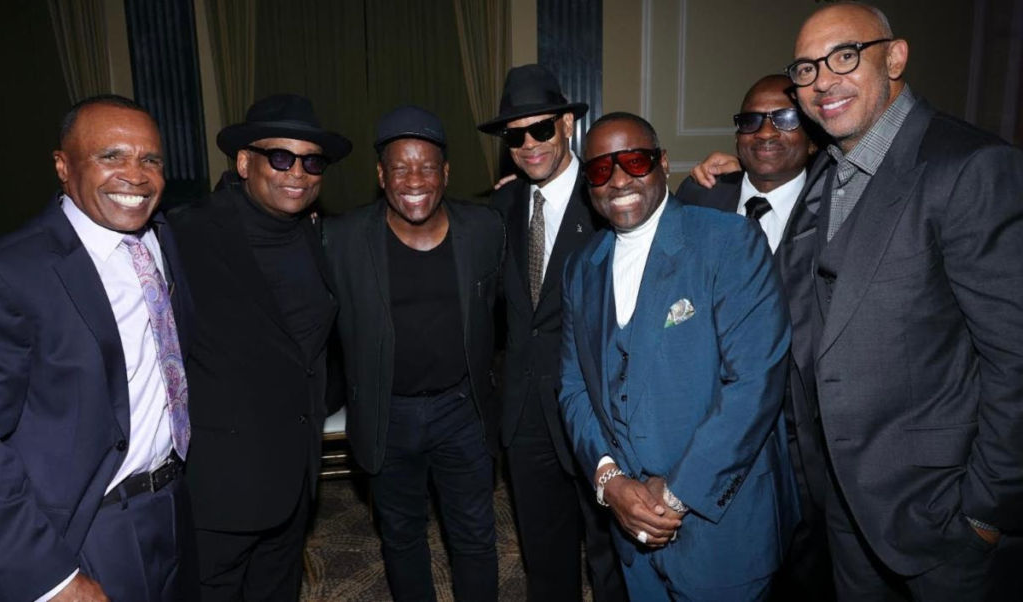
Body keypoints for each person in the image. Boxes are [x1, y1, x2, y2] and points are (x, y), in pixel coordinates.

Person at [783, 3, 1023, 600]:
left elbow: (1015, 357)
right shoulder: (829, 170)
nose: (823, 82)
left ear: (894, 57)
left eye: (844, 56)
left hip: (943, 513)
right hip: (847, 504)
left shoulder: (971, 166)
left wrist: (984, 512)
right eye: (807, 69)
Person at [559, 112, 799, 601]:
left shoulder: (728, 241)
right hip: (630, 528)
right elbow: (573, 385)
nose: (618, 180)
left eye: (634, 161)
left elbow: (754, 384)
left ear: (663, 163)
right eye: (601, 169)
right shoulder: (582, 268)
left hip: (722, 528)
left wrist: (672, 496)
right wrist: (610, 481)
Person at [0, 94, 194, 601]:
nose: (136, 175)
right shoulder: (15, 271)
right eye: (111, 156)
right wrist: (51, 577)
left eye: (151, 160)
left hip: (173, 503)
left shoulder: (162, 239)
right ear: (63, 166)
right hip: (86, 530)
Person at [168, 94, 350, 601]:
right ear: (245, 162)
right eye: (282, 157)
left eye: (312, 162)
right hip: (221, 486)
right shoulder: (183, 234)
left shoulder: (316, 233)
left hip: (295, 476)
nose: (299, 173)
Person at [324, 106, 503, 602]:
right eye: (400, 168)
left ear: (446, 172)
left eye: (426, 166)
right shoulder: (341, 239)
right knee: (401, 536)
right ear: (381, 176)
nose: (415, 180)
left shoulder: (485, 229)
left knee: (475, 536)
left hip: (462, 410)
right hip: (387, 415)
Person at [676, 74, 834, 601]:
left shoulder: (839, 205)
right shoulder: (700, 196)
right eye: (751, 120)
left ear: (812, 136)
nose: (765, 132)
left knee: (806, 572)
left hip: (806, 431)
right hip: (712, 422)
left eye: (784, 118)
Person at [477, 63, 626, 602]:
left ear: (566, 124)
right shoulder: (500, 207)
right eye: (515, 136)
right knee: (543, 555)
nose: (529, 145)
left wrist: (722, 176)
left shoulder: (611, 195)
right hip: (525, 412)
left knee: (612, 556)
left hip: (599, 410)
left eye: (541, 129)